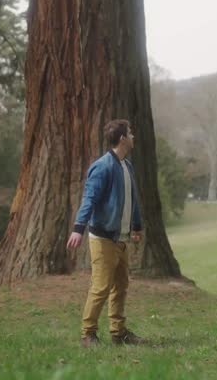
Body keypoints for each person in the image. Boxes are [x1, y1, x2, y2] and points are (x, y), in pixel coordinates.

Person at [67, 119, 144, 347]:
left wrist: (136, 227)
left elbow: (133, 201)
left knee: (121, 286)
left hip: (121, 239)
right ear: (122, 139)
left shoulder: (127, 166)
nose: (133, 137)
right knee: (101, 287)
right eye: (130, 133)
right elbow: (89, 199)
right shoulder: (103, 166)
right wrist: (78, 229)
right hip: (103, 239)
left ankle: (118, 332)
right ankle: (87, 334)